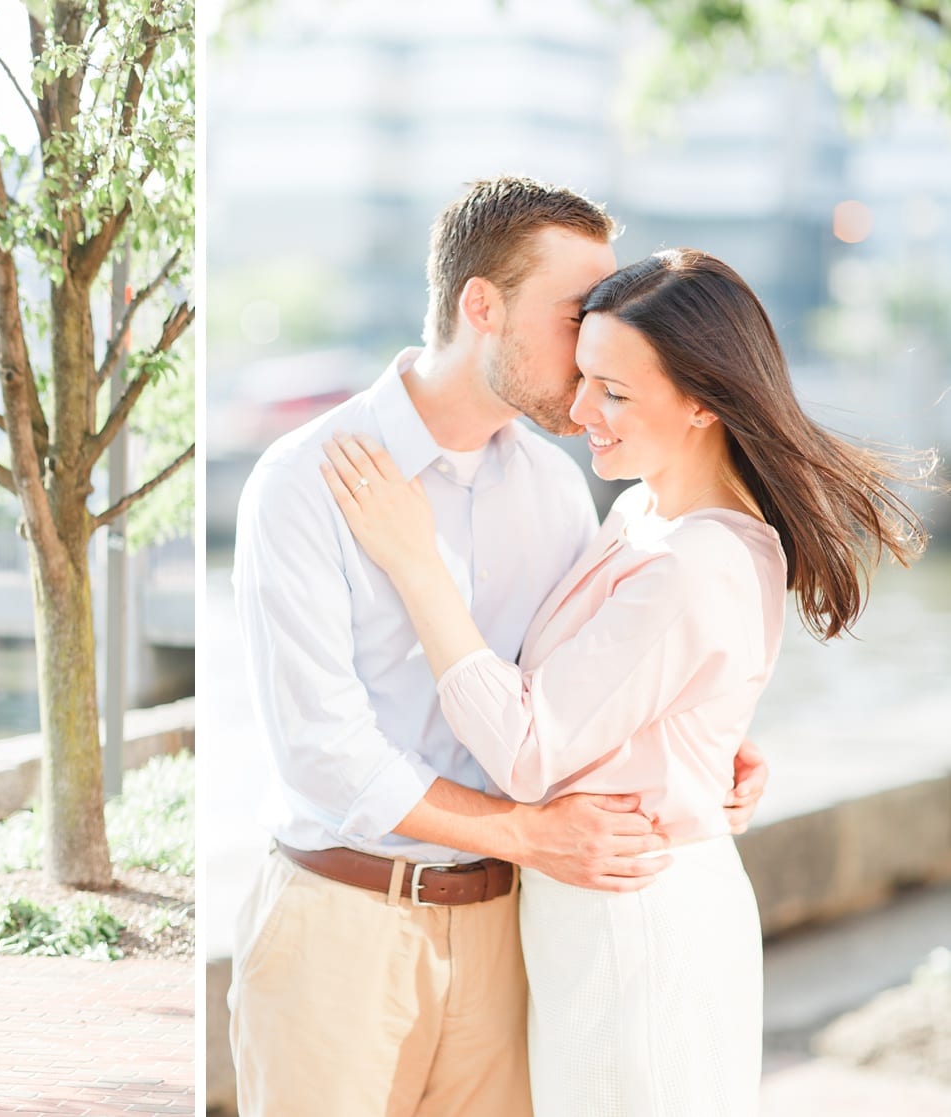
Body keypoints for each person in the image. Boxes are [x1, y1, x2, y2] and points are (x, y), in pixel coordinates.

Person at [323, 248, 928, 1115]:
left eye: (613, 391)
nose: (576, 411)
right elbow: (637, 688)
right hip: (605, 909)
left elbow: (530, 750)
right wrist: (695, 745)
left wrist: (414, 561)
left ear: (702, 402)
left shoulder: (698, 559)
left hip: (636, 927)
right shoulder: (645, 510)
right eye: (583, 378)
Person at [228, 176, 770, 1117]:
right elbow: (324, 755)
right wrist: (531, 834)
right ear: (482, 306)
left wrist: (699, 739)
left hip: (512, 933)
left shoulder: (559, 490)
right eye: (577, 314)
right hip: (345, 927)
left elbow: (578, 687)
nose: (599, 337)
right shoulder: (308, 478)